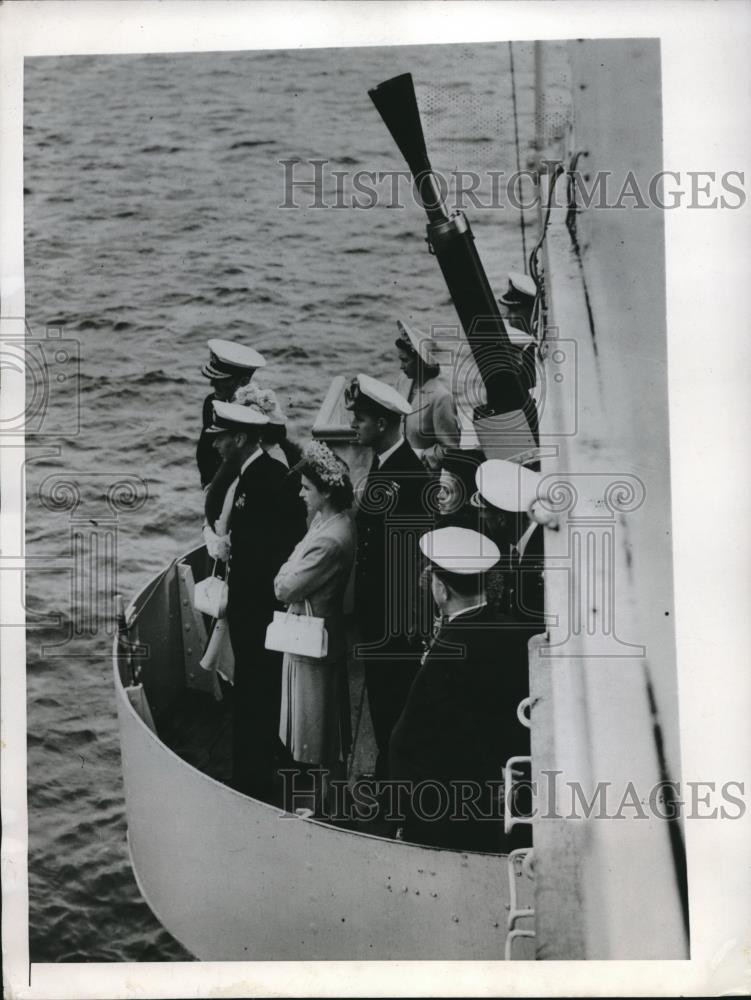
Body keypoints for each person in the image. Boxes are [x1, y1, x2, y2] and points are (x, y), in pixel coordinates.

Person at [389, 526, 532, 852]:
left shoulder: (447, 650)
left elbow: (409, 739)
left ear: (441, 589)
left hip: (445, 808)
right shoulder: (517, 631)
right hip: (504, 792)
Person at [204, 399, 306, 800]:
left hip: (260, 609)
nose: (217, 446)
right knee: (252, 690)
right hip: (251, 608)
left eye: (222, 438)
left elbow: (279, 547)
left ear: (241, 438)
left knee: (256, 693)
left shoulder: (267, 478)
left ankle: (253, 781)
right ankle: (253, 773)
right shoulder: (253, 475)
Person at [345, 373, 433, 781]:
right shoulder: (385, 467)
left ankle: (394, 786)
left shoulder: (409, 478)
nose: (353, 426)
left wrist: (399, 628)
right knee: (383, 705)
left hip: (393, 623)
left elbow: (410, 561)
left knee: (392, 705)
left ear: (381, 424)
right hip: (378, 614)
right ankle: (387, 775)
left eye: (360, 419)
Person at [274, 441, 356, 814]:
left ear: (325, 492)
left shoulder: (328, 537)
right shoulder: (332, 522)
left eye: (307, 488)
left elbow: (285, 586)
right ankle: (328, 803)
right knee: (323, 728)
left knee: (320, 731)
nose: (301, 493)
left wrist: (285, 572)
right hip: (318, 634)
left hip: (313, 640)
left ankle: (329, 808)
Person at [473, 457, 545, 630]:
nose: (485, 527)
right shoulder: (512, 546)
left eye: (486, 519)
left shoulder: (543, 552)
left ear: (501, 519)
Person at [196, 338, 266, 488]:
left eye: (221, 379)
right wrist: (210, 487)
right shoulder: (211, 403)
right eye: (213, 377)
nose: (212, 383)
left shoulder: (259, 409)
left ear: (244, 382)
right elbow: (205, 451)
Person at [394, 320, 460, 471]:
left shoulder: (441, 398)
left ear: (420, 362)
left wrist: (422, 455)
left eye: (405, 361)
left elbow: (451, 449)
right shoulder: (403, 381)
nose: (401, 366)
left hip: (425, 478)